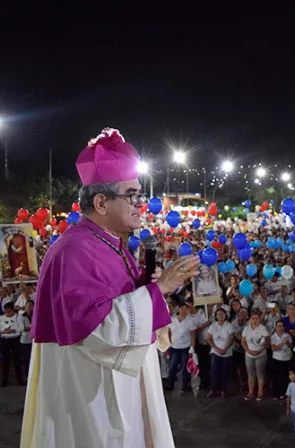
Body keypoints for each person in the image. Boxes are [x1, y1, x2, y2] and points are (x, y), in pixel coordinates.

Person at [21, 128, 200, 448]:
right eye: (132, 195)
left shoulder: (111, 245)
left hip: (120, 388)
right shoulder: (75, 249)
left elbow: (125, 307)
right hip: (92, 399)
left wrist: (151, 288)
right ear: (101, 202)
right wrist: (157, 292)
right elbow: (95, 329)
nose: (141, 204)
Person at [241, 310, 270, 400]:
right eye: (252, 318)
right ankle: (251, 392)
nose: (254, 320)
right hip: (249, 355)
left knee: (260, 374)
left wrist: (260, 350)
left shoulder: (263, 328)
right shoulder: (246, 329)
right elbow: (243, 341)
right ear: (249, 319)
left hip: (260, 354)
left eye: (256, 318)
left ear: (259, 319)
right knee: (250, 374)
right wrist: (248, 351)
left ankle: (260, 392)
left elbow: (267, 341)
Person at [207, 308, 235, 398]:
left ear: (225, 315)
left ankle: (223, 389)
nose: (220, 316)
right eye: (218, 314)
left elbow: (231, 338)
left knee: (225, 371)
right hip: (215, 352)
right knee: (214, 371)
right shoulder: (213, 326)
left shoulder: (229, 325)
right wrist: (216, 349)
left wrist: (225, 348)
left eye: (222, 314)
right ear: (216, 316)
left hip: (227, 353)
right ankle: (213, 389)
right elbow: (209, 339)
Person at [0, 301, 24, 386]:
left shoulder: (18, 317)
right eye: (5, 311)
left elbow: (21, 328)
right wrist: (4, 331)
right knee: (5, 361)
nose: (7, 313)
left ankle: (19, 379)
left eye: (9, 311)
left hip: (15, 339)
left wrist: (13, 330)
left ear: (12, 310)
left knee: (16, 360)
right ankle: (5, 380)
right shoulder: (1, 318)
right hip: (5, 339)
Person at [270, 320, 293, 400]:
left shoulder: (287, 335)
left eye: (281, 326)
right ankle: (276, 394)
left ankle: (283, 393)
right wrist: (283, 343)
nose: (280, 328)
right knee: (276, 377)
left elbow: (290, 346)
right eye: (278, 326)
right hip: (276, 359)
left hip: (286, 359)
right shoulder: (273, 337)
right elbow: (273, 348)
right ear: (276, 327)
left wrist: (287, 344)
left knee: (284, 377)